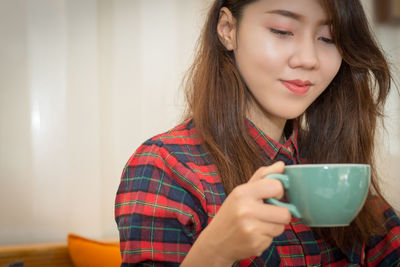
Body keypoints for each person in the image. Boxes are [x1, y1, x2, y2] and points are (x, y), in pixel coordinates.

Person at [115, 0, 400, 265]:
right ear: (227, 29)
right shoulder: (165, 166)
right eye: (282, 31)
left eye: (328, 38)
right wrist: (215, 251)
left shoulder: (334, 165)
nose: (308, 59)